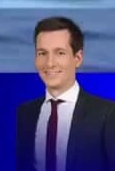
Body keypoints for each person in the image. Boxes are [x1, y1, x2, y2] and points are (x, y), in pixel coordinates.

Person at [15, 16, 115, 171]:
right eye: (42, 53)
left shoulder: (107, 114)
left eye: (60, 53)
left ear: (78, 58)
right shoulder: (25, 113)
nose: (49, 63)